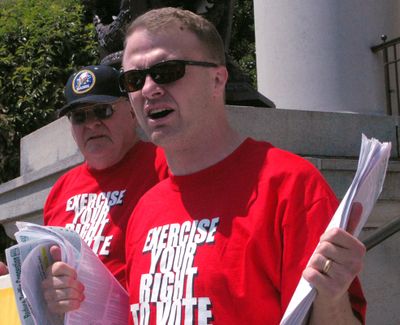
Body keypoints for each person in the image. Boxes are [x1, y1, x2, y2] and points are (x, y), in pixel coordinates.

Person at [120, 7, 366, 325]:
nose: (148, 89)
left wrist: (332, 297)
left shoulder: (291, 186)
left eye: (167, 71)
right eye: (133, 79)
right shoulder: (143, 211)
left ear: (217, 79)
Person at [41, 64, 168, 313]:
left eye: (103, 111)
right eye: (79, 117)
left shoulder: (166, 165)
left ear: (132, 111)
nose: (91, 125)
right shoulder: (61, 189)